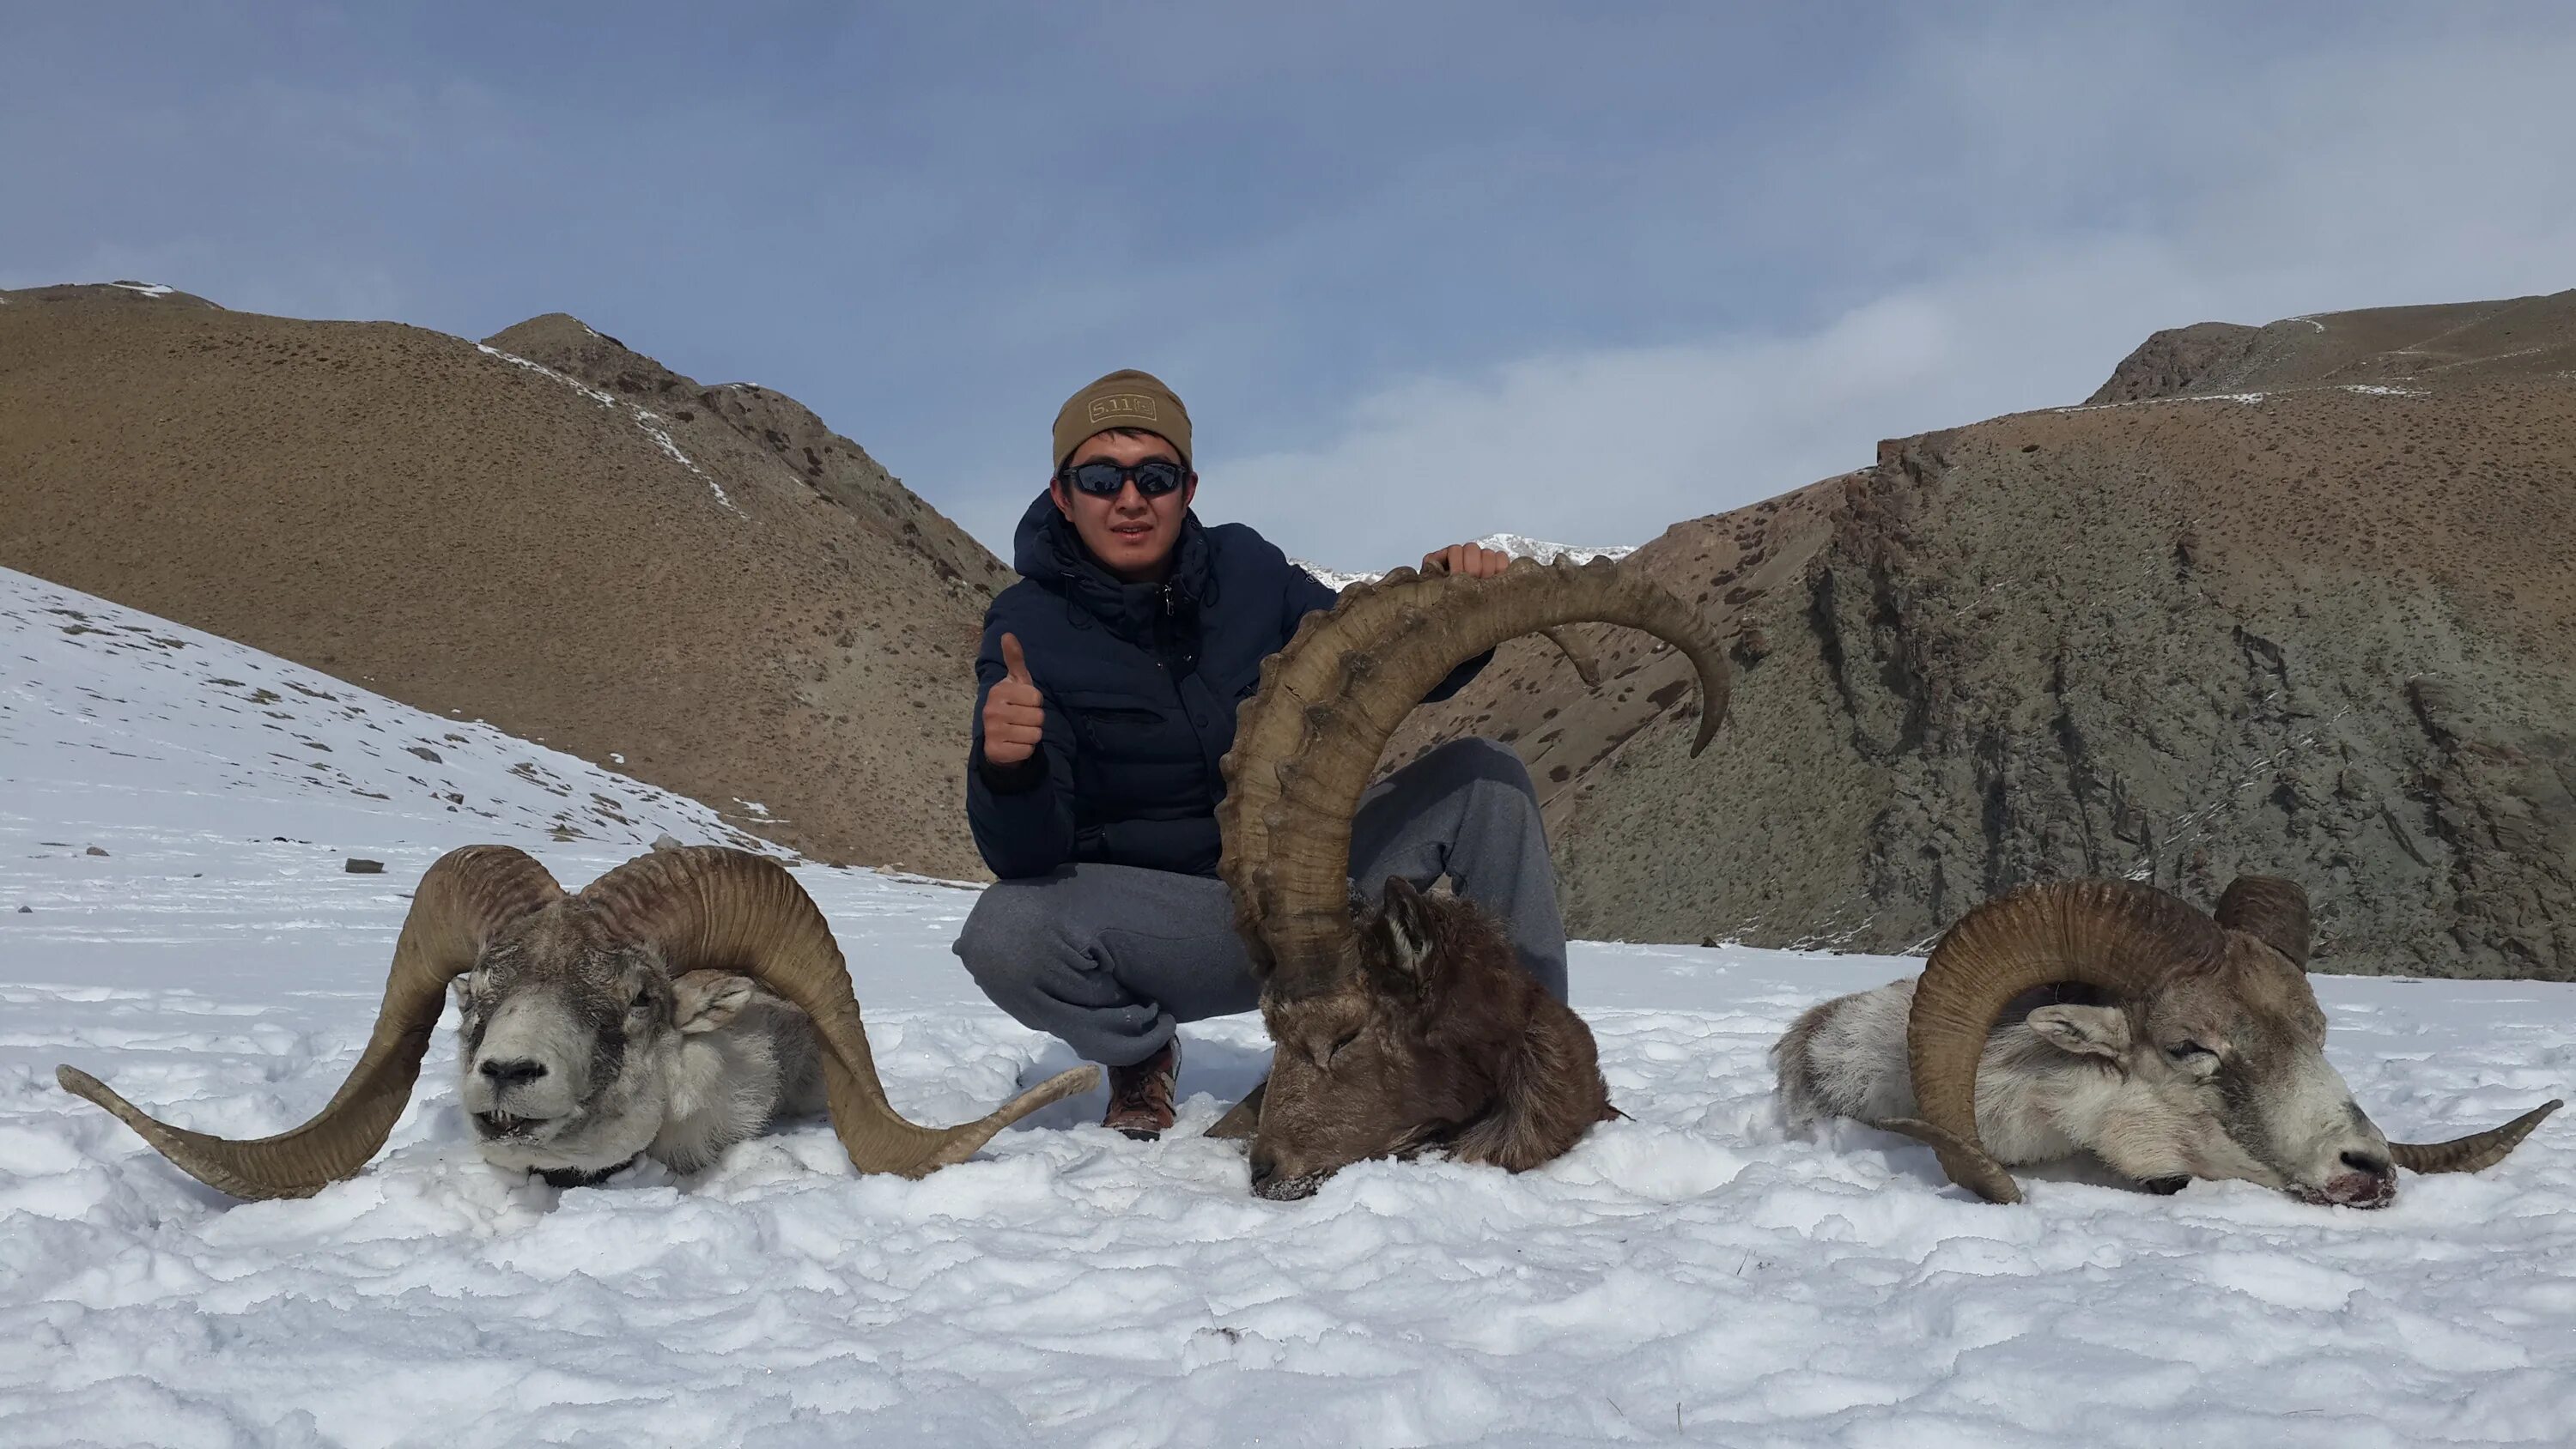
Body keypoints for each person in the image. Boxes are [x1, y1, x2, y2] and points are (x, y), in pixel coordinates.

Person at [953, 369, 1568, 1138]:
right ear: (1062, 494)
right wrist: (1009, 769)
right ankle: (1141, 1055)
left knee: (1488, 778)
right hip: (1186, 930)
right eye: (1102, 477)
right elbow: (1027, 855)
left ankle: (1542, 1057)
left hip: (1312, 880)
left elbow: (1370, 655)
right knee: (1005, 933)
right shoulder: (1026, 626)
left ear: (1189, 486)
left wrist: (1453, 608)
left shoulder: (1249, 568)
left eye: (1156, 475)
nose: (1131, 498)